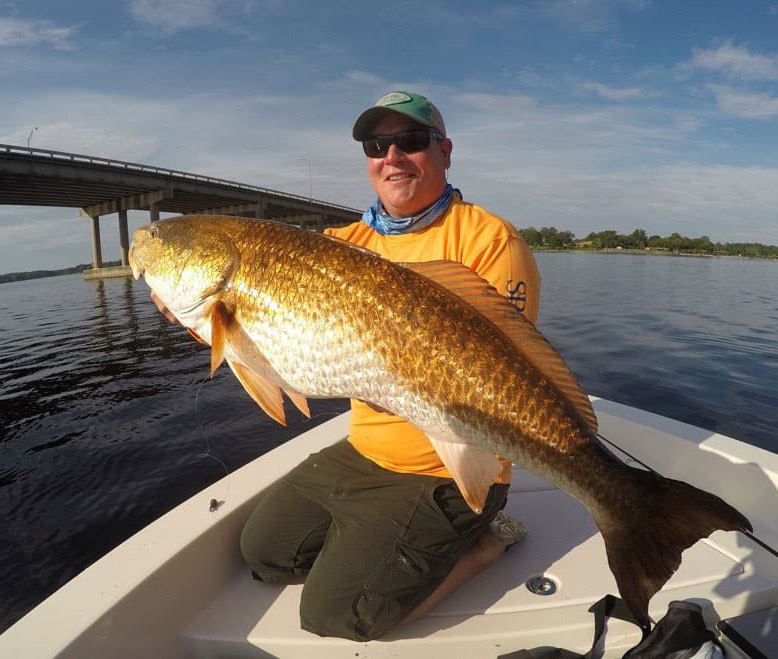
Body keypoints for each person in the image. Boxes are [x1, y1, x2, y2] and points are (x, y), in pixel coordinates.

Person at [163, 91, 541, 641]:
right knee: (264, 554)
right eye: (376, 144)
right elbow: (262, 333)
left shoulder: (489, 240)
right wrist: (197, 314)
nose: (392, 155)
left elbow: (505, 380)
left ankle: (486, 542)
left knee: (336, 616)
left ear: (445, 151)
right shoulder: (341, 245)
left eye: (410, 141)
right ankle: (383, 546)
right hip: (364, 451)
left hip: (447, 465)